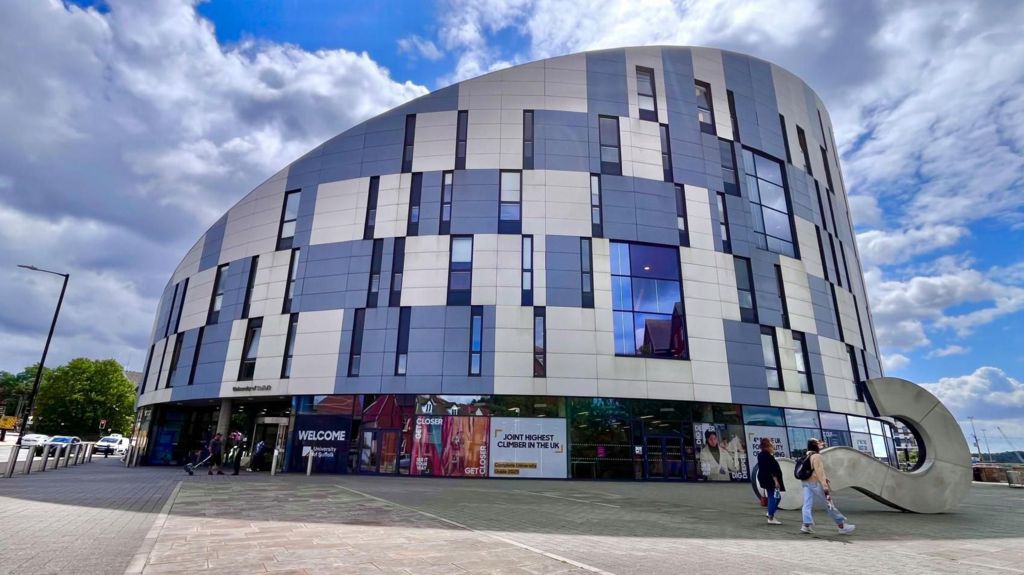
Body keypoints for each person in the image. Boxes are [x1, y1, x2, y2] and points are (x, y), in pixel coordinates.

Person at [800, 438, 855, 535]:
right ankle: (841, 526)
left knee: (807, 504)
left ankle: (806, 526)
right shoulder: (816, 456)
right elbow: (819, 471)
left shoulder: (806, 455)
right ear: (814, 445)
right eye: (818, 443)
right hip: (815, 483)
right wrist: (824, 485)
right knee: (829, 504)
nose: (821, 444)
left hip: (806, 482)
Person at [756, 437, 785, 525]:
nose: (773, 447)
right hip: (770, 479)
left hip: (764, 477)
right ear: (767, 446)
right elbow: (772, 470)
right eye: (771, 445)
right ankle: (771, 516)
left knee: (773, 496)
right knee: (773, 496)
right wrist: (776, 481)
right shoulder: (768, 457)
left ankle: (770, 512)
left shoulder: (761, 455)